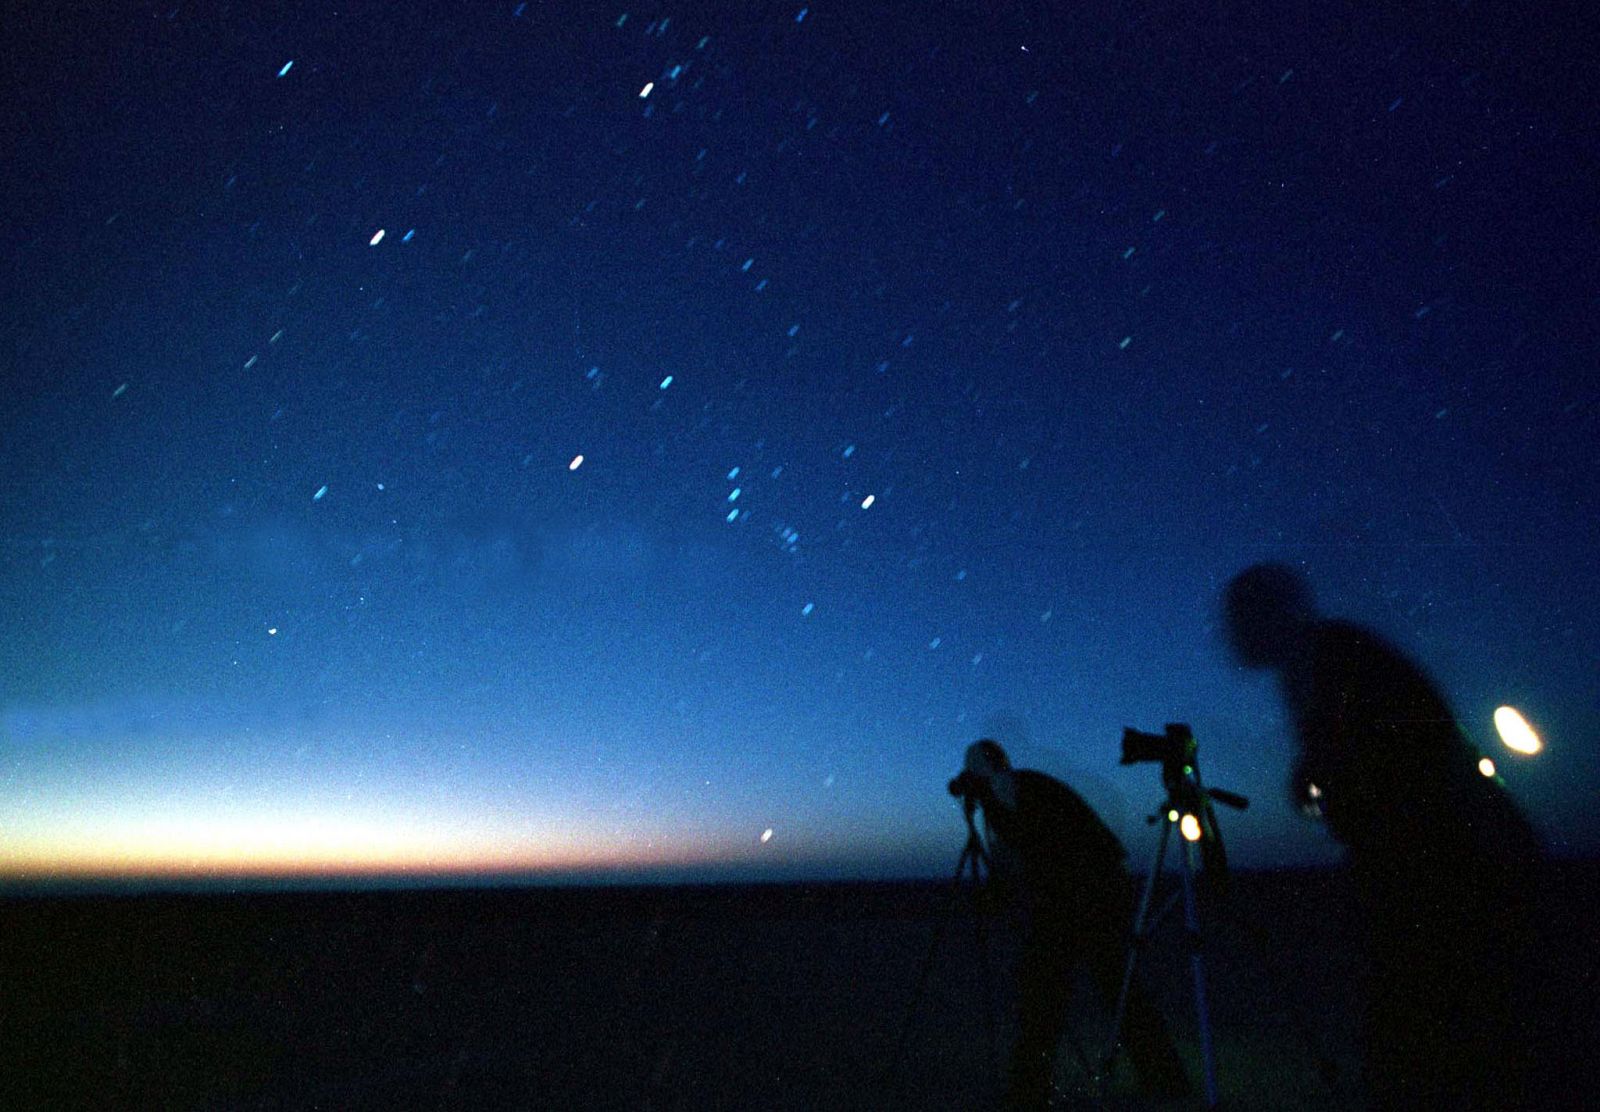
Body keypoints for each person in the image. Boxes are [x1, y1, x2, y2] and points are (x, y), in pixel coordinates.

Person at [1222, 563, 1544, 1109]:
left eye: (1240, 618)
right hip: (1441, 850)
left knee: (1432, 1028)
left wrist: (1327, 784)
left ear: (1272, 614)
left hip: (1447, 856)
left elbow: (1393, 761)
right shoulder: (1324, 658)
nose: (1231, 634)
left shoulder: (1332, 656)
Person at [954, 739, 1190, 1109]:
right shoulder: (1022, 785)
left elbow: (1020, 848)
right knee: (1115, 988)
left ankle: (1030, 1090)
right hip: (1094, 887)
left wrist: (985, 806)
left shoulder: (1009, 791)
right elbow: (1028, 853)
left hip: (1081, 893)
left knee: (1048, 992)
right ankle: (1165, 1077)